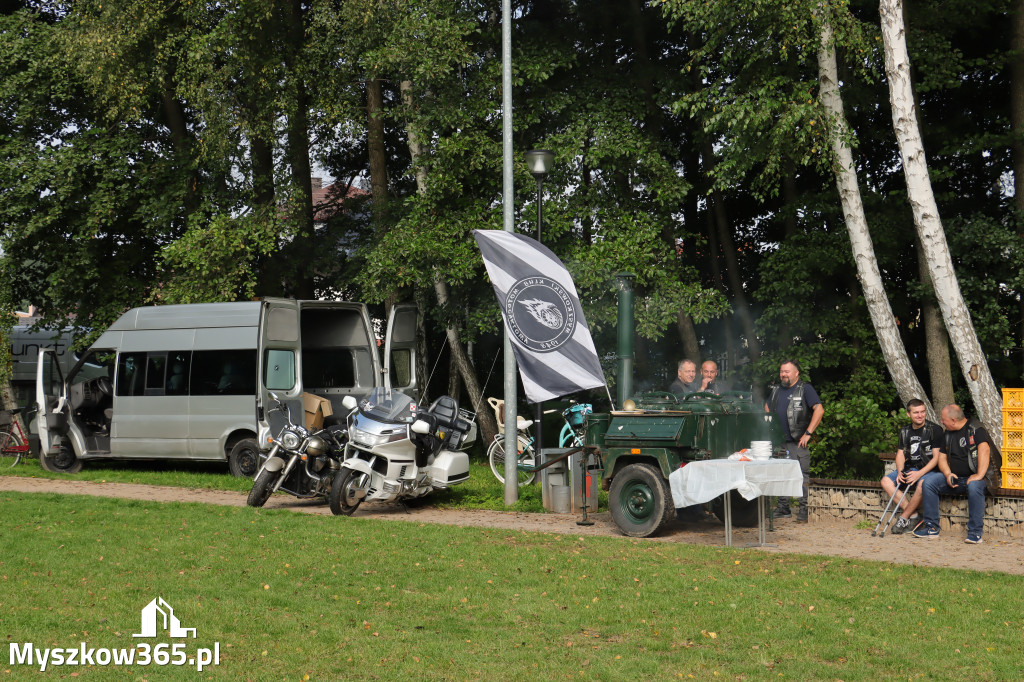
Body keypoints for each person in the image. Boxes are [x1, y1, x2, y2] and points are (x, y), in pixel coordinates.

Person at [913, 405, 994, 544]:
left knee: (974, 486)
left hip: (978, 479)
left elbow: (984, 450)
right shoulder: (948, 433)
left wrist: (979, 475)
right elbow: (942, 457)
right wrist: (947, 473)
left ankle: (975, 533)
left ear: (953, 420)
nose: (941, 422)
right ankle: (931, 528)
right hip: (956, 478)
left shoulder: (976, 429)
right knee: (929, 483)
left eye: (944, 420)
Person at [765, 360, 824, 522]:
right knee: (781, 474)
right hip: (779, 441)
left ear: (796, 373)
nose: (783, 374)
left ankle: (803, 509)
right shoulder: (776, 390)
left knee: (801, 475)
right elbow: (767, 406)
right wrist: (770, 426)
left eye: (787, 371)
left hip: (798, 441)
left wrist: (808, 433)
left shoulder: (805, 389)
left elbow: (819, 409)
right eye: (782, 371)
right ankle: (783, 508)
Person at [883, 399, 942, 535]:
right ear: (908, 414)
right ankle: (915, 516)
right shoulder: (905, 431)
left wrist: (919, 474)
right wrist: (899, 471)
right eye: (916, 413)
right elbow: (900, 454)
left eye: (922, 412)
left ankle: (904, 517)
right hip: (911, 468)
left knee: (922, 483)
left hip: (929, 470)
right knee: (885, 481)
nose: (920, 415)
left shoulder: (935, 430)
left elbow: (936, 458)